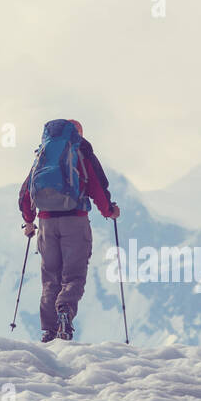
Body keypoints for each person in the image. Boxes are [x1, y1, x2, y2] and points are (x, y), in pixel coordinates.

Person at [18, 119, 120, 342]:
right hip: (75, 221)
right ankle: (65, 312)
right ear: (78, 133)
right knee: (73, 275)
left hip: (45, 224)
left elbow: (26, 193)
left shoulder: (41, 157)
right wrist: (109, 211)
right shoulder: (81, 153)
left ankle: (48, 330)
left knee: (50, 278)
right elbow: (97, 187)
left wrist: (28, 222)